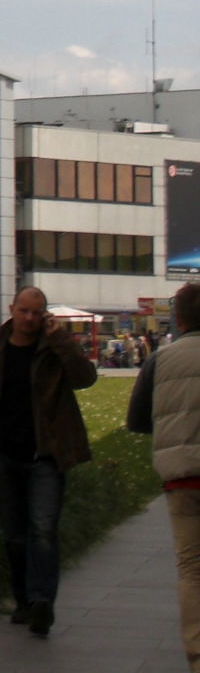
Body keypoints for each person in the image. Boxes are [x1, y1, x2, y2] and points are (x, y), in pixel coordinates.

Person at [0, 286, 98, 638]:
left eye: (37, 313)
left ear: (45, 315)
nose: (29, 318)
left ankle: (42, 602)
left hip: (46, 455)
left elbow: (85, 378)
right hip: (5, 454)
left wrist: (62, 342)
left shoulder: (52, 348)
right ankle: (23, 600)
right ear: (13, 309)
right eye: (24, 311)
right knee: (14, 536)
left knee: (43, 530)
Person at [127, 281, 200, 671]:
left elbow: (136, 419)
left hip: (182, 478)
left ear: (179, 317)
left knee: (192, 569)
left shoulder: (161, 359)